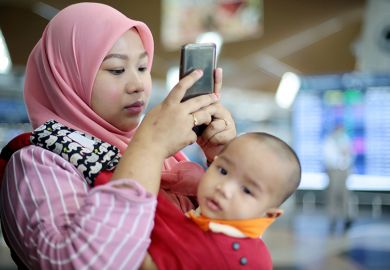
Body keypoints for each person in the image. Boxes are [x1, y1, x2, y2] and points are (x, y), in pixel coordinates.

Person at [0, 2, 236, 269]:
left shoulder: (172, 158)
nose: (138, 85)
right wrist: (148, 149)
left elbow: (235, 248)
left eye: (143, 67)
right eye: (116, 70)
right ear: (67, 76)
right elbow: (77, 264)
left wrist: (224, 162)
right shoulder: (39, 164)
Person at [140, 132, 302, 269]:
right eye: (223, 171)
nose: (224, 189)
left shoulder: (221, 253)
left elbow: (143, 262)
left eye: (246, 190)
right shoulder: (214, 223)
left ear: (268, 215)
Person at [323, 124, 354, 233]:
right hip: (334, 170)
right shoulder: (329, 141)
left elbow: (350, 155)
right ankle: (333, 218)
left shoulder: (346, 140)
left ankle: (347, 217)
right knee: (333, 195)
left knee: (344, 196)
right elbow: (329, 157)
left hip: (343, 170)